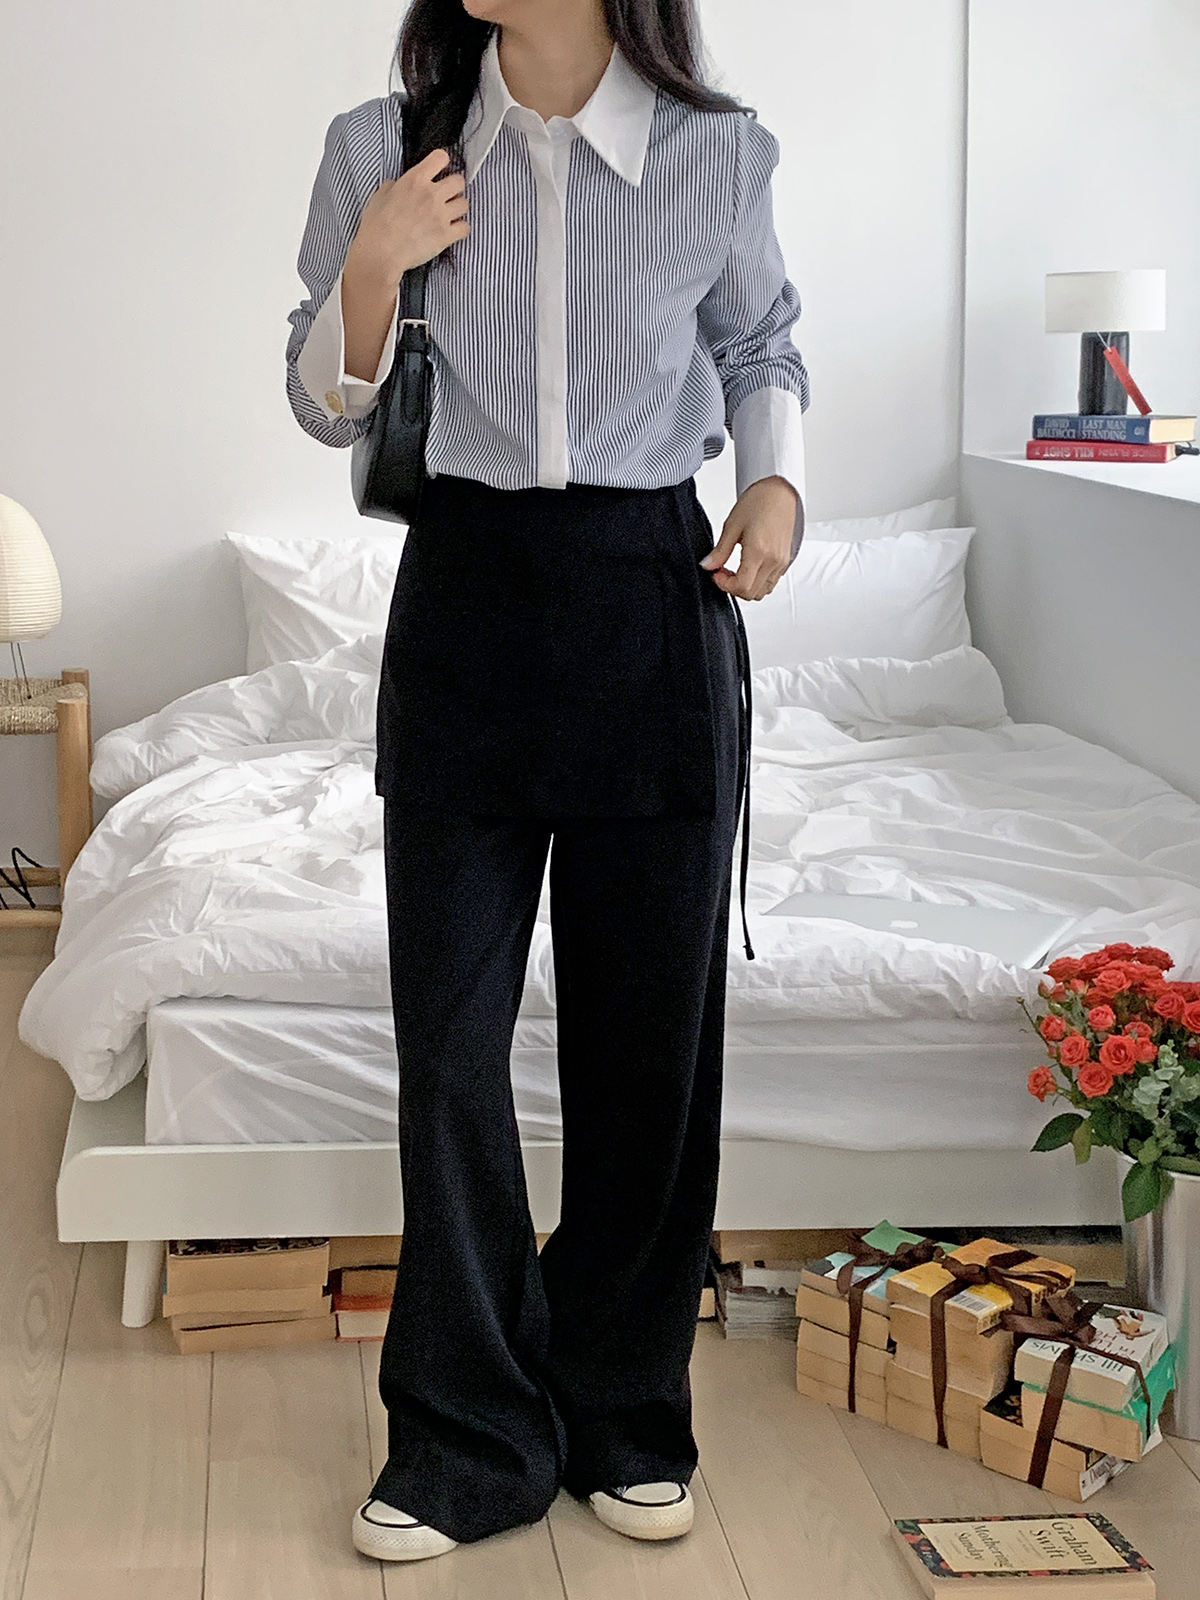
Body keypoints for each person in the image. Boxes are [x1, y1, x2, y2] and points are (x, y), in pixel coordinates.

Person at [286, 0, 808, 1563]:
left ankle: (627, 1409)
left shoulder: (719, 153)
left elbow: (760, 344)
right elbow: (321, 398)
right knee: (449, 1047)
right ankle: (461, 1436)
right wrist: (375, 263)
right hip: (467, 599)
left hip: (652, 596)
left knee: (651, 1048)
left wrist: (775, 480)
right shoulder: (383, 146)